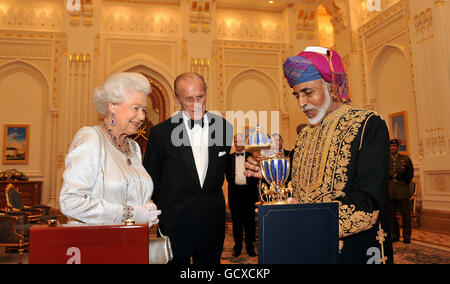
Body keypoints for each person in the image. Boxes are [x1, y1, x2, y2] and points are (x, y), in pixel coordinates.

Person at [245, 46, 393, 264]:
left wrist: (307, 217)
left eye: (307, 92)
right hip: (308, 246)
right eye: (297, 95)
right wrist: (270, 175)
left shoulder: (368, 125)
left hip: (354, 251)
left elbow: (368, 203)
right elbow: (296, 188)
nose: (301, 103)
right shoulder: (305, 135)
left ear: (332, 86)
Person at [143, 72, 233, 264]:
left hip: (212, 224)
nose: (196, 104)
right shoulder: (160, 134)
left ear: (206, 93)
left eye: (200, 97)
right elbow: (152, 180)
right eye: (189, 99)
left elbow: (223, 173)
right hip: (174, 224)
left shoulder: (224, 128)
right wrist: (172, 206)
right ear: (177, 99)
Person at [60, 72, 161, 226]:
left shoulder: (133, 148)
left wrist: (147, 210)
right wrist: (131, 214)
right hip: (96, 243)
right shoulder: (92, 138)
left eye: (144, 110)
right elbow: (70, 202)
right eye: (136, 108)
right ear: (113, 106)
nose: (142, 117)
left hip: (130, 242)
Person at [225, 133, 259, 257]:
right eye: (235, 141)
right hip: (235, 194)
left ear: (244, 142)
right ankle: (237, 246)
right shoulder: (228, 158)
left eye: (239, 141)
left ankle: (250, 246)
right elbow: (228, 177)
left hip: (249, 193)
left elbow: (256, 176)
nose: (237, 143)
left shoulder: (252, 157)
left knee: (250, 222)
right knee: (237, 222)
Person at [388, 139, 414, 244]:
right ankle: (395, 235)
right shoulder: (385, 159)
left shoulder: (405, 159)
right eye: (390, 146)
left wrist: (404, 183)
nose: (392, 148)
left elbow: (410, 174)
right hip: (390, 190)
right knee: (391, 215)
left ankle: (407, 236)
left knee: (406, 215)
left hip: (403, 190)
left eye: (394, 146)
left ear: (397, 147)